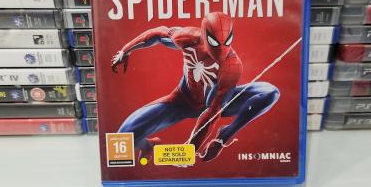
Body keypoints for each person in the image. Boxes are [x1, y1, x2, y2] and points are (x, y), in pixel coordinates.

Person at [111, 12, 279, 162]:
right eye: (214, 42)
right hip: (181, 101)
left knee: (270, 92)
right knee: (123, 136)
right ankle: (149, 146)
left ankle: (226, 133)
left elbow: (213, 111)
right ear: (205, 35)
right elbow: (158, 33)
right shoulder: (189, 38)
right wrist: (125, 51)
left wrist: (196, 147)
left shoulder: (232, 65)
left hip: (218, 102)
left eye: (227, 41)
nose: (221, 50)